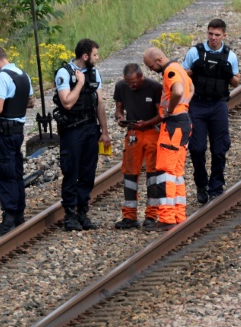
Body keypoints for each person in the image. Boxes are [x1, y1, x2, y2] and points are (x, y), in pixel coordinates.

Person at [53, 38, 111, 231]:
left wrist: (104, 131)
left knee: (88, 171)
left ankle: (82, 212)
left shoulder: (94, 73)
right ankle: (70, 214)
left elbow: (100, 103)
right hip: (72, 130)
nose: (97, 58)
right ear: (85, 56)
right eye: (95, 55)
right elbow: (67, 102)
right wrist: (79, 83)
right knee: (71, 171)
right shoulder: (65, 74)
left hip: (90, 128)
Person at [182, 18, 240, 203]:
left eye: (217, 35)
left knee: (219, 148)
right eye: (210, 34)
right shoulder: (195, 52)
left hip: (218, 105)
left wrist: (228, 73)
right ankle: (201, 185)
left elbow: (236, 81)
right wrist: (194, 69)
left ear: (224, 35)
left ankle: (216, 185)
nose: (213, 38)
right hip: (197, 105)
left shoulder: (229, 55)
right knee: (197, 149)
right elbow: (181, 76)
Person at [0, 46, 34, 236]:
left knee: (5, 172)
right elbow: (30, 102)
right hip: (18, 131)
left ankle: (9, 217)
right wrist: (0, 100)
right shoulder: (23, 75)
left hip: (4, 131)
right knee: (16, 170)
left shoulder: (3, 77)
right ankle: (19, 212)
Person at [143, 47, 194, 231]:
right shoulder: (179, 68)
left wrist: (171, 109)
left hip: (173, 124)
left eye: (150, 66)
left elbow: (178, 90)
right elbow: (191, 87)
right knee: (177, 173)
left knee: (166, 172)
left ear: (158, 59)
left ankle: (166, 218)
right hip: (184, 122)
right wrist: (184, 106)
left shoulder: (170, 71)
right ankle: (179, 215)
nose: (150, 70)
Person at [113, 63, 163, 230]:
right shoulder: (121, 87)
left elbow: (162, 114)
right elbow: (118, 108)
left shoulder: (155, 88)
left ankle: (151, 215)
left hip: (151, 132)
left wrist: (146, 123)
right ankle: (129, 215)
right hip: (133, 133)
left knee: (153, 174)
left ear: (141, 76)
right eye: (128, 83)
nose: (131, 86)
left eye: (134, 82)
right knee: (129, 173)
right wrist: (120, 117)